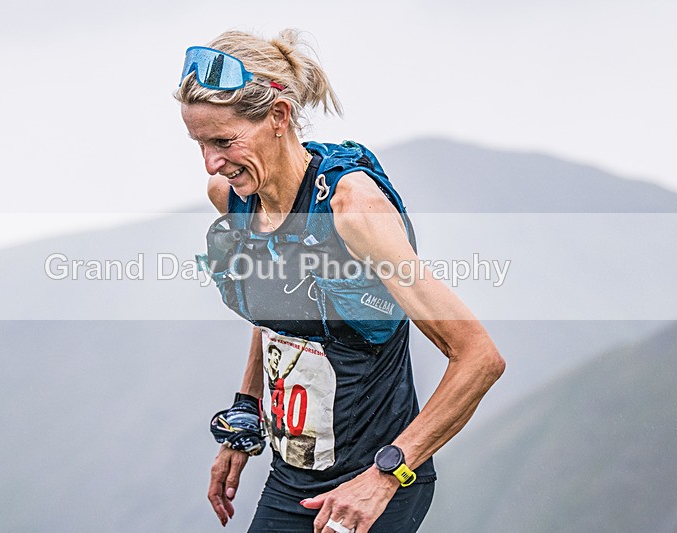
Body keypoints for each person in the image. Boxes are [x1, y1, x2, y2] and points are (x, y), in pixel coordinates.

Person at [176, 29, 505, 533]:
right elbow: (277, 310)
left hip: (372, 486)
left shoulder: (353, 210)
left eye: (224, 141)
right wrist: (246, 414)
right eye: (200, 143)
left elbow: (479, 358)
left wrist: (386, 474)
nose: (212, 162)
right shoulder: (233, 196)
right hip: (291, 481)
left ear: (279, 117)